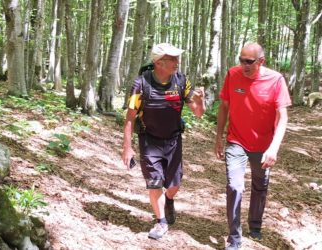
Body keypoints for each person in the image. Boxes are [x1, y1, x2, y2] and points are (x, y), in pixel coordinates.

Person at [122, 43, 205, 239]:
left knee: (174, 185)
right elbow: (130, 117)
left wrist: (200, 101)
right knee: (154, 182)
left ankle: (169, 199)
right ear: (158, 62)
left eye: (177, 58)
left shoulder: (181, 81)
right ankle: (161, 222)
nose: (177, 62)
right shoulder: (141, 84)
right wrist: (127, 147)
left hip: (174, 140)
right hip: (149, 140)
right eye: (173, 59)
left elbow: (198, 113)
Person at [214, 43, 292, 250]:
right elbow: (224, 106)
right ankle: (234, 237)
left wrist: (274, 148)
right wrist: (219, 137)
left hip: (264, 145)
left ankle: (255, 224)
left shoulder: (275, 80)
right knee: (234, 186)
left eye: (249, 61)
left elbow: (283, 117)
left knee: (260, 184)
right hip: (236, 141)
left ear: (261, 61)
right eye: (241, 60)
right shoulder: (233, 74)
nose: (244, 65)